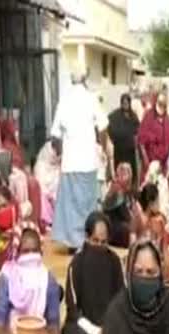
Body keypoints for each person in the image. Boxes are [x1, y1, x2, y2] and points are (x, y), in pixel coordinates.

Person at [50, 71, 108, 252]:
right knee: (87, 204)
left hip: (71, 163)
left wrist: (60, 153)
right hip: (88, 161)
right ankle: (84, 241)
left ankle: (73, 243)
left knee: (71, 205)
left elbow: (55, 135)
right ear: (84, 80)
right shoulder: (91, 99)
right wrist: (102, 148)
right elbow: (104, 126)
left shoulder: (64, 101)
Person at [62, 212, 124, 334]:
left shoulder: (114, 261)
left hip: (110, 325)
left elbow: (121, 300)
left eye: (104, 242)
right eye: (95, 241)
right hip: (85, 327)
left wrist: (109, 327)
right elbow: (73, 310)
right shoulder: (77, 264)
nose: (100, 246)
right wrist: (95, 331)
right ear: (87, 238)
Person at [138, 92, 169, 182]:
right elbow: (141, 140)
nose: (162, 106)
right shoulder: (149, 116)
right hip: (149, 160)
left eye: (164, 104)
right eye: (160, 103)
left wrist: (165, 158)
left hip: (163, 162)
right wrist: (145, 159)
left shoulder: (167, 118)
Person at [108, 93, 140, 186]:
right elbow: (109, 128)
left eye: (127, 103)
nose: (125, 104)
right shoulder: (115, 116)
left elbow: (138, 130)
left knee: (130, 177)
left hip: (130, 153)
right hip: (119, 152)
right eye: (124, 102)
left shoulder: (133, 116)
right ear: (121, 103)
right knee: (119, 176)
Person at [102, 162, 135, 248]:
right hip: (114, 226)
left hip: (121, 224)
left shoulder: (128, 192)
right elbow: (124, 213)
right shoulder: (116, 189)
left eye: (126, 173)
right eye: (121, 174)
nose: (122, 176)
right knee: (127, 228)